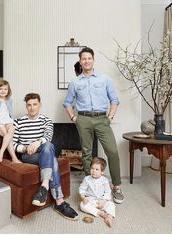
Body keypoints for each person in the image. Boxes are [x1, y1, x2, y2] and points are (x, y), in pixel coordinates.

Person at [63, 47, 124, 204]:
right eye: (84, 59)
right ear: (80, 61)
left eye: (89, 58)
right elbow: (68, 103)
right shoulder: (75, 82)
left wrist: (110, 117)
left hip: (102, 119)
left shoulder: (104, 79)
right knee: (86, 153)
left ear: (93, 60)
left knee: (112, 151)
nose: (86, 61)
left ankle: (116, 186)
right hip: (83, 119)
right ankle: (89, 185)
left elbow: (114, 100)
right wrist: (74, 117)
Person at [13, 93, 78, 221]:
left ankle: (45, 187)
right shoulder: (18, 122)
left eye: (35, 104)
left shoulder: (46, 121)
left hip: (44, 152)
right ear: (26, 106)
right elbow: (14, 144)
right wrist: (25, 148)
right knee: (51, 157)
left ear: (40, 105)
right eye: (29, 105)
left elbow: (48, 137)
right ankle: (59, 203)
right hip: (28, 156)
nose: (32, 108)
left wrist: (37, 143)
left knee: (48, 147)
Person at [79, 157, 115, 228]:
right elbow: (81, 189)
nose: (93, 171)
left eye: (97, 169)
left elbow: (108, 192)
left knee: (111, 205)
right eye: (92, 168)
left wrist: (103, 201)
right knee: (82, 205)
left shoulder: (105, 180)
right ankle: (100, 213)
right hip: (91, 201)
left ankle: (109, 217)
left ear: (102, 171)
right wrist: (83, 197)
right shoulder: (87, 179)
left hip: (101, 201)